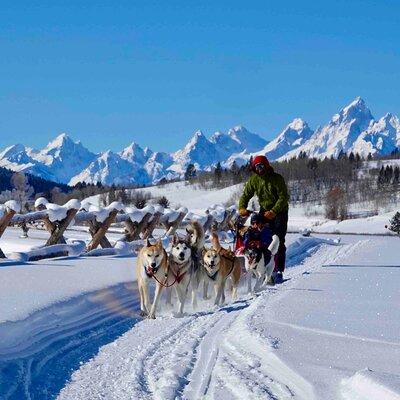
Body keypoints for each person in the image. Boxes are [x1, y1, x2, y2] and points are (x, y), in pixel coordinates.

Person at [239, 155, 289, 283]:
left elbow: (283, 198)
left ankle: (278, 271)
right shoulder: (254, 180)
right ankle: (260, 267)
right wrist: (242, 208)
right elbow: (246, 194)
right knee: (259, 237)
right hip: (264, 211)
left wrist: (274, 211)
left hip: (280, 212)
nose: (259, 169)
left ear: (266, 166)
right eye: (257, 167)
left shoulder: (277, 179)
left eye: (261, 166)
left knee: (279, 240)